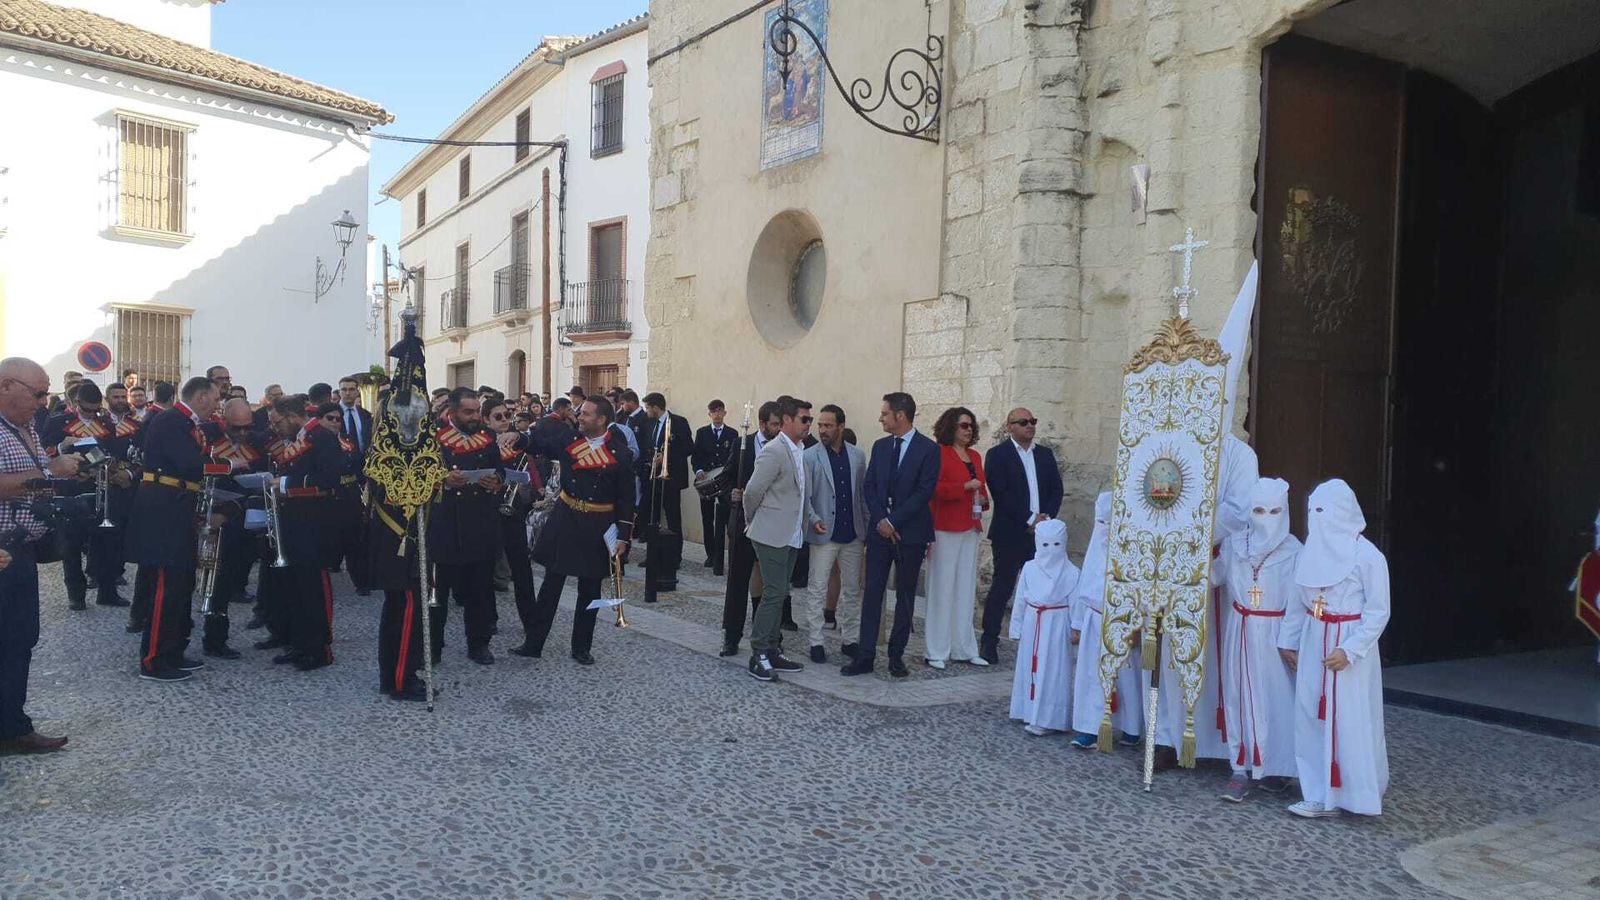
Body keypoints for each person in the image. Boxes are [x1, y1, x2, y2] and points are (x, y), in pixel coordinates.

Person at [1280, 479, 1390, 819]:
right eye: (1313, 511)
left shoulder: (1369, 557)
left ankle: (1356, 795)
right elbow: (1297, 602)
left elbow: (1378, 611)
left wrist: (1351, 649)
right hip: (1315, 637)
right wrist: (1289, 639)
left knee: (1351, 719)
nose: (1317, 519)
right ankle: (1316, 792)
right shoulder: (1308, 552)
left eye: (1324, 512)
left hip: (1348, 641)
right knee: (1311, 713)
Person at [512, 397, 634, 665]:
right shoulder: (569, 440)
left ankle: (581, 647)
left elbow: (626, 498)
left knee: (590, 590)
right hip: (566, 520)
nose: (579, 416)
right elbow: (540, 445)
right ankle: (533, 643)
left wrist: (623, 536)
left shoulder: (621, 453)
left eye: (586, 414)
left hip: (598, 525)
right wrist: (518, 439)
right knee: (550, 586)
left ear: (601, 419)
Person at [0, 358, 81, 753]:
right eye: (37, 393)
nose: (43, 401)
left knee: (19, 642)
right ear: (5, 387)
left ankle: (13, 729)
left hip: (21, 551)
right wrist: (51, 473)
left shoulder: (26, 426)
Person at [125, 376, 222, 682]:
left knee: (180, 585)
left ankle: (173, 649)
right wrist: (229, 466)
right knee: (167, 587)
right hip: (164, 510)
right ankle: (154, 660)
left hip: (177, 506)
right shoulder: (171, 420)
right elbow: (190, 463)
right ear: (202, 397)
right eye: (216, 399)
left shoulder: (185, 422)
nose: (217, 406)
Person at [841, 392, 940, 678]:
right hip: (880, 533)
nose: (880, 418)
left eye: (885, 413)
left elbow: (925, 491)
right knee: (872, 593)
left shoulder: (928, 449)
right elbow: (869, 486)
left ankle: (896, 655)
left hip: (911, 533)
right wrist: (882, 520)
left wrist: (894, 521)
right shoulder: (881, 446)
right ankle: (866, 655)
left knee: (905, 595)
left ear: (900, 415)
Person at [1216, 477, 1301, 802]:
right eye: (1259, 511)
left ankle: (1277, 767)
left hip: (1274, 634)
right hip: (1240, 628)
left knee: (1276, 700)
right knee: (1238, 695)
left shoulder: (1294, 551)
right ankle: (1241, 767)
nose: (1267, 519)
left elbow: (1299, 600)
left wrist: (1290, 639)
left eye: (1274, 511)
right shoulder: (1236, 544)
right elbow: (1217, 575)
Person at [265, 399, 344, 671]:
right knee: (294, 588)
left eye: (278, 422)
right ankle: (299, 643)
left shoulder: (322, 437)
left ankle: (319, 648)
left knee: (313, 588)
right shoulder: (300, 438)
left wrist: (284, 484)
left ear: (292, 416)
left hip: (315, 524)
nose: (275, 428)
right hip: (293, 522)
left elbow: (329, 479)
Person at [980, 408, 1063, 664]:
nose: (1030, 426)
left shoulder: (1045, 455)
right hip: (1011, 532)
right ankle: (989, 641)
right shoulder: (998, 455)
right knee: (1002, 586)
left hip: (1042, 535)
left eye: (1033, 421)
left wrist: (1044, 520)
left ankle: (1038, 643)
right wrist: (1029, 519)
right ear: (1010, 427)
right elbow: (1001, 492)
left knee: (1042, 588)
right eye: (1023, 422)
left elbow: (1056, 490)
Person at [428, 388, 503, 665]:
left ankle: (479, 643)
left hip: (479, 523)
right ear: (452, 412)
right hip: (445, 523)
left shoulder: (487, 437)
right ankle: (433, 645)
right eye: (468, 413)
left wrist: (495, 480)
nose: (474, 418)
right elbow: (420, 473)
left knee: (479, 591)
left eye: (476, 413)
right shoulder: (433, 436)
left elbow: (500, 469)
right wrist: (444, 479)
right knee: (439, 593)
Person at [740, 396, 810, 682]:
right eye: (804, 419)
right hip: (771, 532)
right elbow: (752, 491)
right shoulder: (774, 450)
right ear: (788, 420)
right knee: (772, 593)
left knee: (781, 593)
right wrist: (753, 520)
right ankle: (758, 653)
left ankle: (772, 648)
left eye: (810, 420)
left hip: (792, 532)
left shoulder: (801, 449)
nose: (809, 424)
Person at [40, 382, 127, 610]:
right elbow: (43, 452)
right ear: (76, 403)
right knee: (71, 544)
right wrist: (61, 446)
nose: (92, 414)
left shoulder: (106, 422)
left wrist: (106, 464)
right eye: (87, 410)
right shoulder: (58, 421)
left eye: (95, 410)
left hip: (98, 486)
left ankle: (107, 592)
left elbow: (115, 452)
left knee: (105, 542)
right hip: (69, 490)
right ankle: (76, 595)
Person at [1069, 492, 1142, 750]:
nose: (1105, 530)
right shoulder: (1096, 547)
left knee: (1126, 677)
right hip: (1094, 619)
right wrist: (1077, 623)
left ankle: (1131, 727)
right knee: (1092, 676)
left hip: (1123, 620)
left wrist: (1138, 626)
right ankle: (1091, 728)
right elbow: (1085, 583)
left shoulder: (1135, 550)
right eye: (1102, 523)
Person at [801, 403, 866, 664]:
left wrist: (867, 528)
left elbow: (861, 496)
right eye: (820, 425)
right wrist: (813, 519)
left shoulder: (858, 456)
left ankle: (850, 639)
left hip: (852, 533)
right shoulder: (810, 456)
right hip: (823, 532)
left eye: (828, 425)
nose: (822, 429)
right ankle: (816, 640)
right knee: (817, 588)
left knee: (852, 589)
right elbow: (805, 497)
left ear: (841, 426)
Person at [201, 398, 266, 660]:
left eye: (246, 428)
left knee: (230, 582)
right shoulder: (208, 441)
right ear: (223, 420)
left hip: (247, 521)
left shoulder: (258, 443)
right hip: (215, 519)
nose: (242, 433)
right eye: (236, 428)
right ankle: (213, 638)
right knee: (212, 583)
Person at [926, 406, 990, 670]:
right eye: (963, 425)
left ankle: (963, 647)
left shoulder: (975, 456)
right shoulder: (939, 454)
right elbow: (933, 487)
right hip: (944, 526)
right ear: (951, 427)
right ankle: (937, 649)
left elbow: (982, 487)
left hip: (970, 527)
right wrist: (963, 487)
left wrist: (982, 498)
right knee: (942, 589)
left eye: (971, 425)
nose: (968, 430)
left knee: (965, 589)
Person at [719, 402, 780, 657]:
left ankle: (768, 635)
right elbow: (726, 476)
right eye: (774, 424)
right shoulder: (742, 444)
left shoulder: (783, 448)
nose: (778, 429)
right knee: (737, 581)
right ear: (762, 423)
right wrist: (730, 493)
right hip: (744, 523)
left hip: (772, 525)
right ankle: (731, 636)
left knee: (771, 584)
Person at [1008, 518, 1078, 735]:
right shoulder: (1030, 568)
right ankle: (1026, 710)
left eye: (1056, 545)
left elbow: (1076, 602)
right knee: (1030, 666)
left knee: (1052, 670)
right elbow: (1020, 599)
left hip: (1057, 625)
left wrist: (1076, 627)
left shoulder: (1072, 572)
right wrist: (1016, 627)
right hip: (1033, 622)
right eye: (1045, 545)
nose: (1051, 551)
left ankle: (1049, 718)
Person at [486, 398, 538, 641]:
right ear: (486, 420)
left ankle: (530, 620)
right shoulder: (482, 444)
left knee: (522, 569)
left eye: (508, 416)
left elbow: (536, 445)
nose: (505, 421)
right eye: (498, 417)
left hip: (513, 512)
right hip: (487, 513)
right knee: (485, 569)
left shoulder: (518, 445)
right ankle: (488, 620)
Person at [639, 392, 692, 594]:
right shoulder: (650, 424)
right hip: (654, 477)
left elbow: (689, 447)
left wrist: (667, 457)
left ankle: (674, 558)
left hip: (671, 478)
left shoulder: (678, 422)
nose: (646, 411)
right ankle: (652, 555)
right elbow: (647, 445)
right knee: (652, 516)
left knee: (673, 518)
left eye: (647, 408)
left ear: (655, 407)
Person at [333, 376, 373, 595]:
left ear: (357, 392)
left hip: (363, 474)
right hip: (341, 477)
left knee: (361, 528)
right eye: (343, 390)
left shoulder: (365, 415)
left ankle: (362, 580)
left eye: (351, 389)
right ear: (339, 392)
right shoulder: (332, 416)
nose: (347, 393)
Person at [692, 399, 739, 576]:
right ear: (709, 414)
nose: (717, 414)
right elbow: (696, 457)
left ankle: (726, 556)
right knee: (707, 519)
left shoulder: (732, 433)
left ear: (725, 413)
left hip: (725, 483)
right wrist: (699, 470)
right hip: (707, 482)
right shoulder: (702, 433)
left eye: (720, 411)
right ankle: (711, 555)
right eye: (714, 411)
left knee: (725, 520)